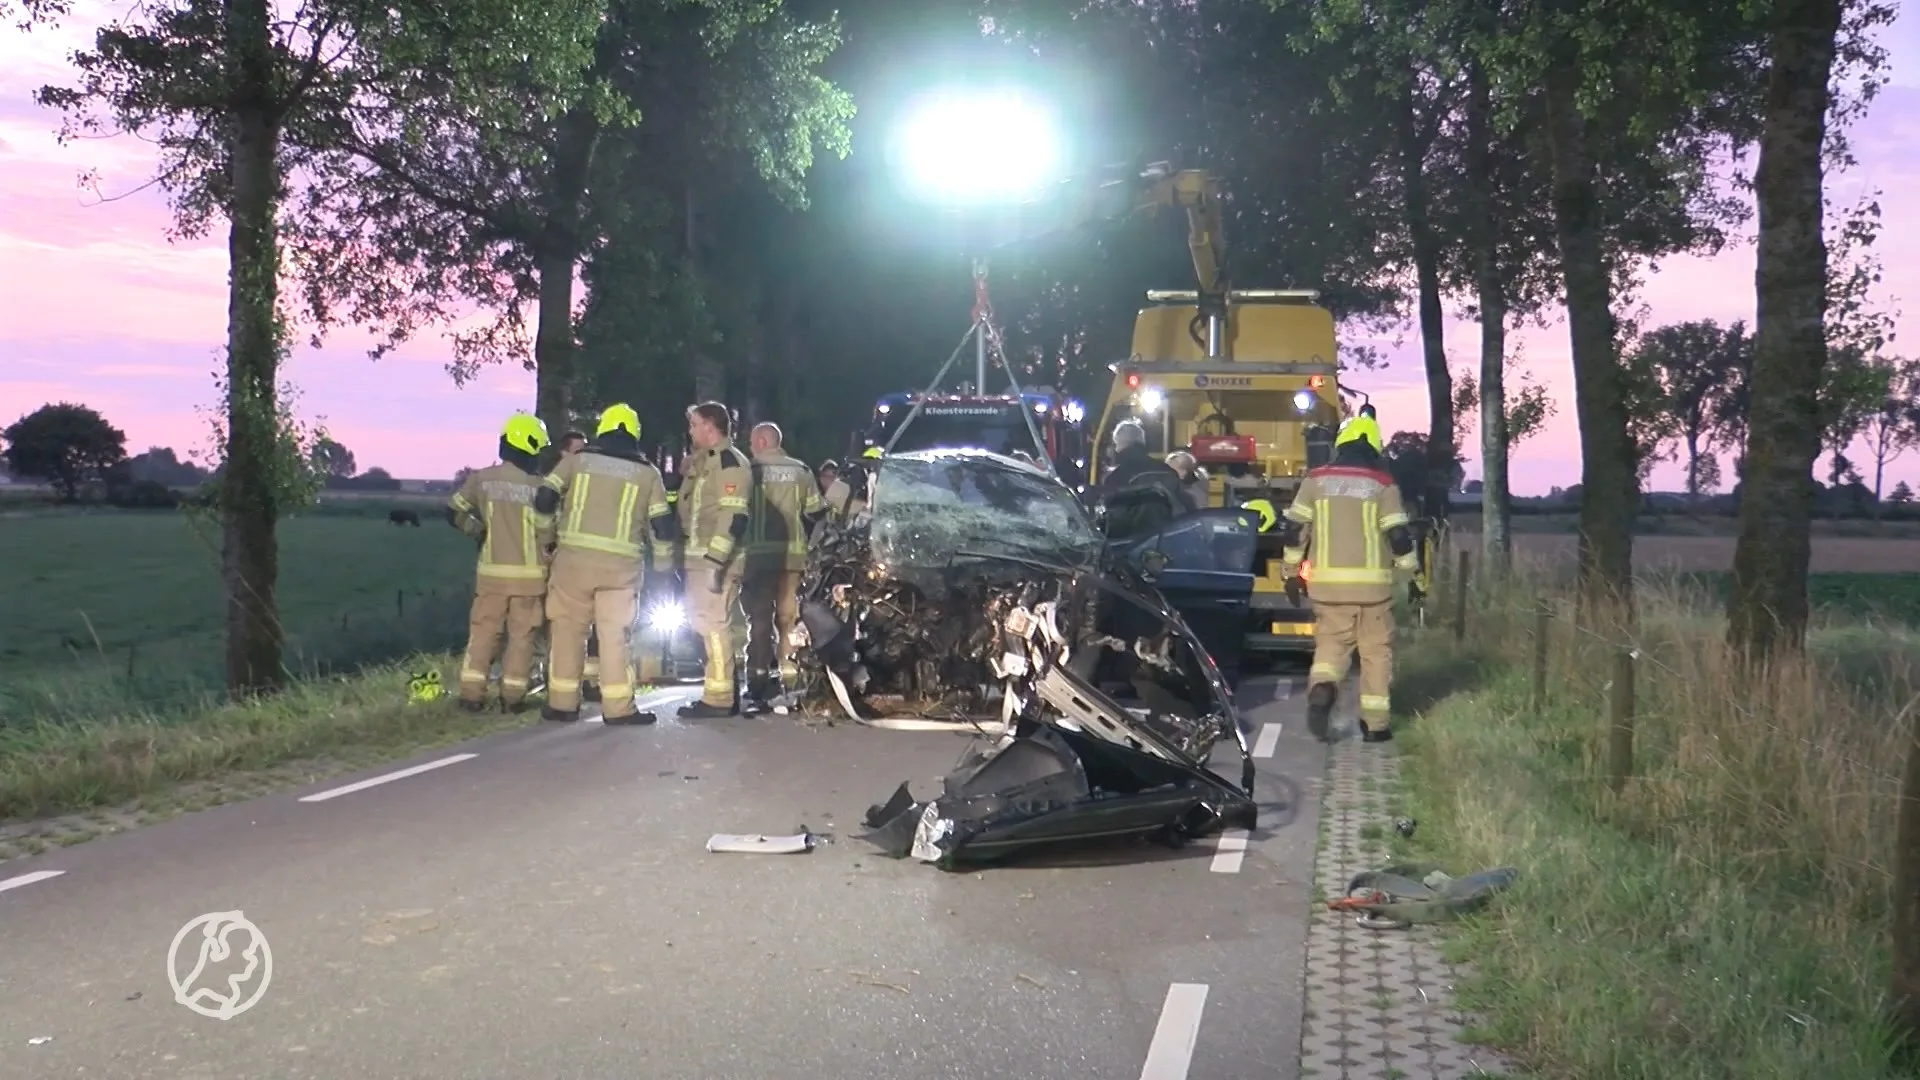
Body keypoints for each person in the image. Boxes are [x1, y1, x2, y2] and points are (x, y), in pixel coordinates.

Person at [532, 404, 678, 725]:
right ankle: (618, 709)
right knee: (614, 637)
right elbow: (662, 527)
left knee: (568, 631)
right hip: (620, 570)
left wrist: (546, 538)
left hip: (572, 563)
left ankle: (561, 704)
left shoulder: (576, 461)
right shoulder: (647, 473)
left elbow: (544, 498)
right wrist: (665, 570)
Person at [1278, 412, 1417, 744]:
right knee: (1375, 652)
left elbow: (1295, 530)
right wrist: (1412, 574)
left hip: (1326, 587)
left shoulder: (1315, 481)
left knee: (1331, 647)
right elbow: (1398, 535)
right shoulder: (1383, 485)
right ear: (1373, 446)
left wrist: (1291, 574)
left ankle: (1322, 688)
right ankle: (1375, 726)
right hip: (1373, 591)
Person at [445, 413, 554, 713]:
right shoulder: (541, 487)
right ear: (529, 445)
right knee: (521, 639)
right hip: (530, 580)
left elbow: (453, 511)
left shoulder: (482, 480)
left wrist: (478, 531)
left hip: (490, 576)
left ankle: (471, 696)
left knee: (482, 634)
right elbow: (552, 532)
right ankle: (512, 698)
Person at [676, 401, 754, 719]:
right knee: (709, 625)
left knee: (714, 626)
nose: (690, 430)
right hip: (701, 558)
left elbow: (734, 515)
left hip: (714, 560)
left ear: (710, 426)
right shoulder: (706, 462)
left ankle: (719, 699)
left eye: (694, 424)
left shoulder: (728, 462)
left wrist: (715, 562)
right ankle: (722, 692)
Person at [741, 422, 825, 712]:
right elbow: (816, 512)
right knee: (789, 620)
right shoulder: (801, 470)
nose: (750, 448)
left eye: (752, 442)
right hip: (793, 559)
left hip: (759, 558)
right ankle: (791, 678)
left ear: (762, 442)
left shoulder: (748, 471)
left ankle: (758, 679)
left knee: (760, 620)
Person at [1098, 419, 1187, 537]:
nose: (1115, 449)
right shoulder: (1167, 470)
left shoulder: (1117, 477)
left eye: (1116, 444)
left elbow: (1115, 521)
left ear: (1121, 444)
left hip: (1135, 546)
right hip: (1168, 540)